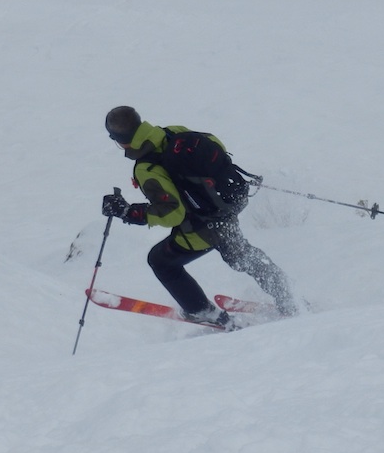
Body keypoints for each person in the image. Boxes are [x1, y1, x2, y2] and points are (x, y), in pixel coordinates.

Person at [101, 106, 297, 329]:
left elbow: (172, 214)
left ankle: (201, 311)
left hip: (201, 227)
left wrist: (129, 212)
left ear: (119, 140)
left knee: (160, 262)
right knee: (240, 255)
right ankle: (288, 297)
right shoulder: (173, 132)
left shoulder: (146, 168)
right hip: (225, 208)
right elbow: (216, 144)